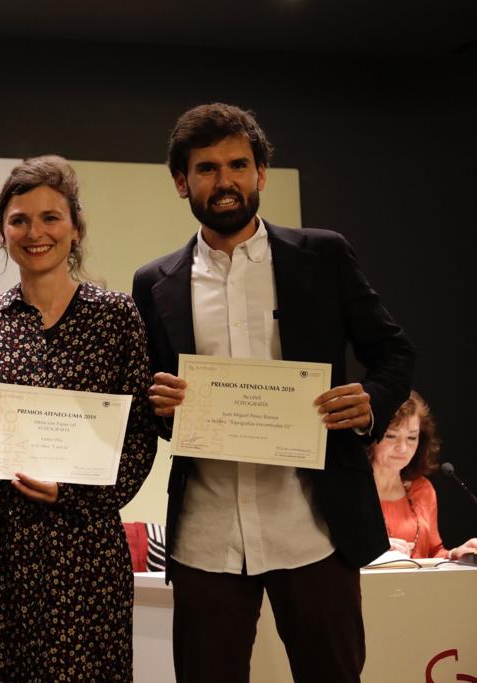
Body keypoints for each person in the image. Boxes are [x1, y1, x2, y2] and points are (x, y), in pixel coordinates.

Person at [132, 103, 416, 683]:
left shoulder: (323, 255)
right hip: (205, 536)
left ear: (261, 173)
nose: (225, 181)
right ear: (181, 182)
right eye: (206, 168)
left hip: (314, 527)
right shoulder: (154, 282)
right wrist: (160, 406)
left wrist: (369, 402)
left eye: (239, 164)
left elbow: (394, 354)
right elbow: (155, 403)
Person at [0, 155, 157, 681]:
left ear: (75, 228)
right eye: (19, 220)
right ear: (2, 233)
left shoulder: (116, 316)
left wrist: (72, 493)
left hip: (83, 545)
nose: (34, 232)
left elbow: (137, 439)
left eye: (50, 217)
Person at [371, 391, 477, 560]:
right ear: (370, 436)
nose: (403, 448)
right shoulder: (350, 489)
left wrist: (455, 554)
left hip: (419, 586)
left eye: (412, 438)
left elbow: (433, 553)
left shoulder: (422, 489)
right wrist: (372, 551)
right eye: (391, 436)